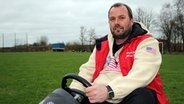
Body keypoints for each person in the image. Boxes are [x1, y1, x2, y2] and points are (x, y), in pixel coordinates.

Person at [70, 2, 169, 104]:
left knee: (143, 96)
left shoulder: (147, 42)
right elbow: (88, 70)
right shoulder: (102, 44)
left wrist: (109, 91)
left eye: (122, 18)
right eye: (112, 19)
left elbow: (141, 75)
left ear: (131, 21)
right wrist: (73, 92)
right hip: (100, 95)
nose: (116, 22)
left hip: (127, 96)